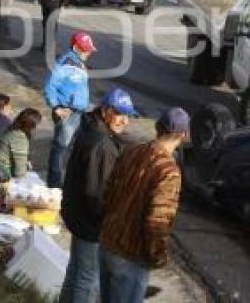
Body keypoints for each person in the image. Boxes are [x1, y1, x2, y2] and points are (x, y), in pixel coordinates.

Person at [98, 107, 189, 303]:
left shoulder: (132, 151)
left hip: (108, 243)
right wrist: (158, 255)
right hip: (131, 255)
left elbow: (107, 193)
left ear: (158, 127)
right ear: (183, 135)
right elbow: (157, 221)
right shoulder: (168, 171)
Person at [59, 87, 138, 303]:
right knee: (87, 279)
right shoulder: (102, 145)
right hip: (90, 223)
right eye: (120, 114)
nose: (125, 121)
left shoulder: (90, 128)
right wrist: (110, 223)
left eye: (127, 115)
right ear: (105, 111)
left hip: (77, 214)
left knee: (76, 270)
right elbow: (97, 193)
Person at [43, 31, 96, 188]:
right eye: (85, 49)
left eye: (89, 49)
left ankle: (71, 180)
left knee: (78, 147)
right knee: (60, 147)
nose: (88, 52)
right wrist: (56, 106)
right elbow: (49, 86)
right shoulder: (65, 63)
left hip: (78, 112)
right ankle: (55, 183)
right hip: (67, 111)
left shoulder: (78, 63)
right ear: (75, 47)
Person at [0, 108, 42, 183]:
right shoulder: (19, 137)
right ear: (31, 126)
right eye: (37, 125)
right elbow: (19, 173)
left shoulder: (9, 129)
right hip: (1, 176)